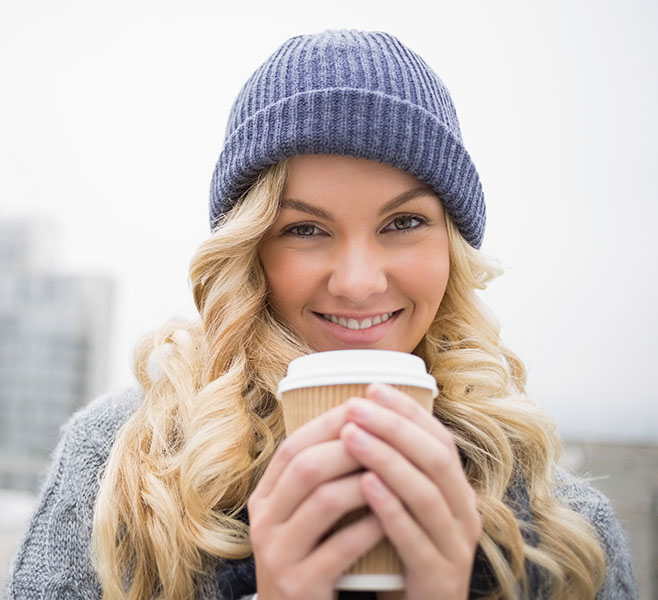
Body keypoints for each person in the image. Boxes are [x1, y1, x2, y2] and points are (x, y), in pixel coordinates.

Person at [5, 29, 637, 600]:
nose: (359, 283)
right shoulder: (121, 468)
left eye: (405, 222)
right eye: (306, 228)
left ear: (452, 246)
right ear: (249, 251)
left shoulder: (560, 524)